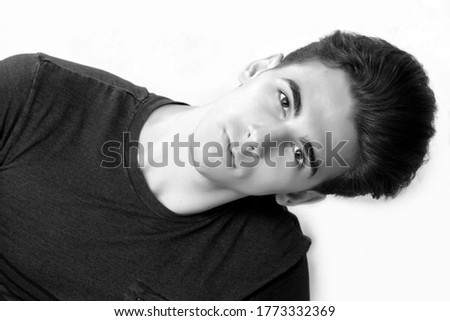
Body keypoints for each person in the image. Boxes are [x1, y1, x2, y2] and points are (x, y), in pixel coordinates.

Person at [0, 31, 436, 300]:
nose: (260, 138)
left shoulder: (266, 283)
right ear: (259, 68)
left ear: (301, 194)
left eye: (302, 154)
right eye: (284, 99)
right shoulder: (37, 95)